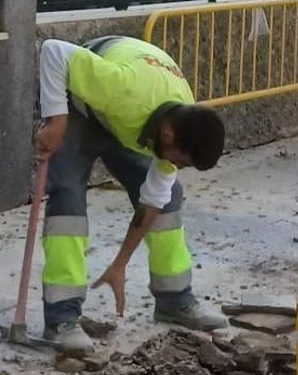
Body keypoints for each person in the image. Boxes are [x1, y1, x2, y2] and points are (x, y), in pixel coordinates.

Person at [33, 35, 230, 355]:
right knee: (67, 201)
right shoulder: (122, 89)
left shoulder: (184, 120)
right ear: (167, 135)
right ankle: (61, 319)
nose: (175, 165)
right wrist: (56, 121)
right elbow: (54, 51)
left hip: (125, 120)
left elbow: (152, 201)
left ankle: (174, 299)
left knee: (168, 200)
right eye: (180, 160)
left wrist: (119, 264)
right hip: (79, 103)